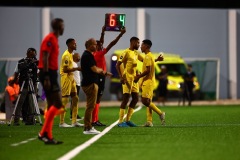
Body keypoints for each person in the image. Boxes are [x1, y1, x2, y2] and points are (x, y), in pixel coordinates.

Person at [37, 18, 65, 145]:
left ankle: (47, 135)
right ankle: (43, 133)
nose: (64, 28)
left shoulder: (55, 39)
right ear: (59, 27)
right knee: (58, 103)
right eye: (62, 26)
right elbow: (44, 57)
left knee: (51, 103)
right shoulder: (50, 39)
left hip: (51, 73)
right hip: (48, 73)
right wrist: (47, 76)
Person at [92, 26, 126, 126]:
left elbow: (101, 42)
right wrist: (120, 34)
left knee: (97, 99)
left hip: (98, 76)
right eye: (100, 45)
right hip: (100, 77)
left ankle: (95, 119)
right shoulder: (98, 54)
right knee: (97, 99)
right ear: (96, 46)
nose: (102, 46)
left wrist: (102, 32)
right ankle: (94, 120)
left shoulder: (95, 53)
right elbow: (112, 44)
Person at [81, 38, 112, 134]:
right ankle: (88, 127)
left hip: (89, 83)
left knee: (90, 106)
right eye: (95, 44)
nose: (96, 46)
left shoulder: (87, 55)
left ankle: (88, 126)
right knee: (90, 106)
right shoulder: (88, 55)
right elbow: (94, 69)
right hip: (90, 83)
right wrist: (104, 72)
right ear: (90, 45)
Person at [134, 39, 165, 127]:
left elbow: (148, 70)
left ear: (147, 46)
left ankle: (160, 113)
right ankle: (149, 121)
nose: (141, 46)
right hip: (149, 81)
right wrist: (157, 59)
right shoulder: (149, 56)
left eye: (142, 45)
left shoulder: (148, 56)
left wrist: (138, 77)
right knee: (148, 102)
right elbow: (149, 64)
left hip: (148, 81)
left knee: (145, 101)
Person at [115, 36, 144, 127]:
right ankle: (120, 122)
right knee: (126, 99)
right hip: (127, 78)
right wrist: (121, 77)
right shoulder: (126, 52)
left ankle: (128, 120)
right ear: (133, 42)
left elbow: (144, 60)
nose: (139, 45)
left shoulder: (136, 53)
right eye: (138, 43)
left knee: (135, 99)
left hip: (134, 79)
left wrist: (154, 60)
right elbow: (117, 65)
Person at [59, 38, 83, 127]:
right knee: (65, 100)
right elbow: (65, 69)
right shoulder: (66, 55)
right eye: (74, 44)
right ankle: (61, 122)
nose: (75, 45)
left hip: (71, 77)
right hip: (66, 78)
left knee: (75, 98)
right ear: (69, 45)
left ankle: (74, 121)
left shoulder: (71, 54)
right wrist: (76, 68)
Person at [13, 48, 39, 125]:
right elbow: (17, 73)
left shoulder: (36, 63)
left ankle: (30, 120)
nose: (32, 57)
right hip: (24, 84)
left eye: (33, 55)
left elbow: (38, 74)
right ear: (27, 53)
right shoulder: (21, 62)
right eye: (31, 55)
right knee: (20, 101)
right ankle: (16, 120)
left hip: (33, 83)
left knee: (32, 102)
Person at [69, 52, 83, 121]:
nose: (79, 58)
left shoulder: (75, 64)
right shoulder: (72, 64)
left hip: (77, 84)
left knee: (75, 100)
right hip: (74, 84)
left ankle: (74, 114)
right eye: (78, 56)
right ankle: (73, 115)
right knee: (74, 100)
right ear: (74, 57)